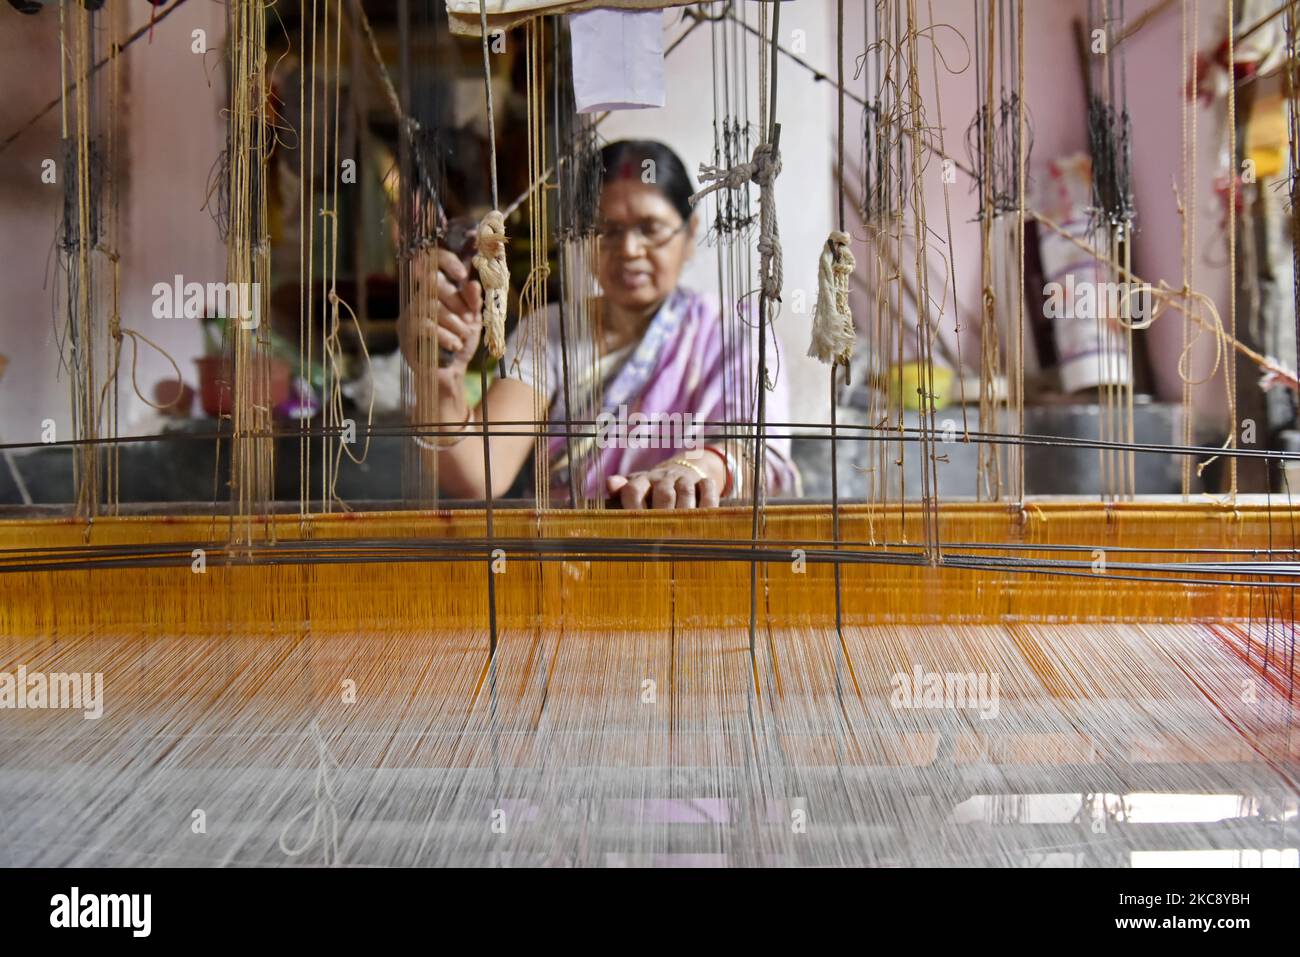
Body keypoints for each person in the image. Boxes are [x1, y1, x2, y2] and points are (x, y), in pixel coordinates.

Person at [399, 139, 799, 509]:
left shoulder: (733, 331)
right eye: (607, 231)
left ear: (690, 233)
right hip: (571, 566)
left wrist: (698, 471)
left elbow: (756, 458)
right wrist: (441, 380)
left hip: (695, 563)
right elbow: (478, 475)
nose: (628, 250)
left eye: (650, 229)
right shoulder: (550, 332)